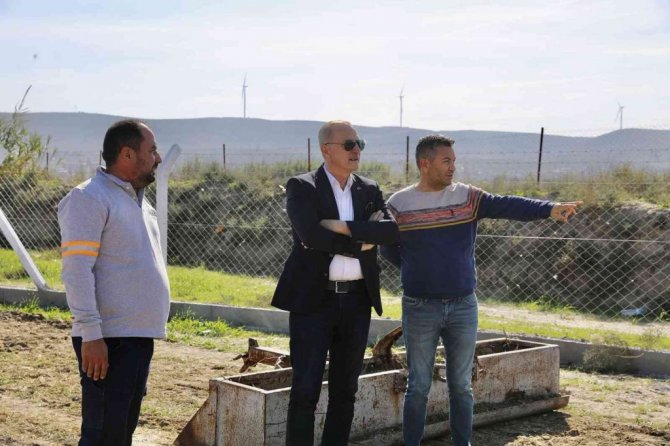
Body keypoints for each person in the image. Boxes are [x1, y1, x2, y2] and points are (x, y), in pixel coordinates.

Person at [380, 135, 581, 446]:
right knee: (418, 386)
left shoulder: (467, 197)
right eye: (446, 161)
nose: (453, 167)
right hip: (420, 307)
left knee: (461, 386)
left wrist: (549, 209)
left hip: (463, 306)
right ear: (425, 163)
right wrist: (415, 268)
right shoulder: (399, 204)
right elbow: (386, 245)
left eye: (454, 161)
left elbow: (508, 204)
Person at [272, 120, 398, 445]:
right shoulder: (302, 186)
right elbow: (311, 236)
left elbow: (390, 230)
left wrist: (342, 227)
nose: (357, 150)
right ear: (326, 150)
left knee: (346, 391)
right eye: (349, 145)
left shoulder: (369, 189)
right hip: (314, 301)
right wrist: (362, 239)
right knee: (305, 390)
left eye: (360, 144)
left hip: (357, 301)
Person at [57, 119, 169, 445]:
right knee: (103, 434)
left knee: (120, 433)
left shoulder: (137, 199)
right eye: (152, 150)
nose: (158, 158)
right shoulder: (89, 198)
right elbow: (77, 270)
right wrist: (91, 334)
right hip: (109, 339)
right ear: (127, 154)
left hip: (136, 337)